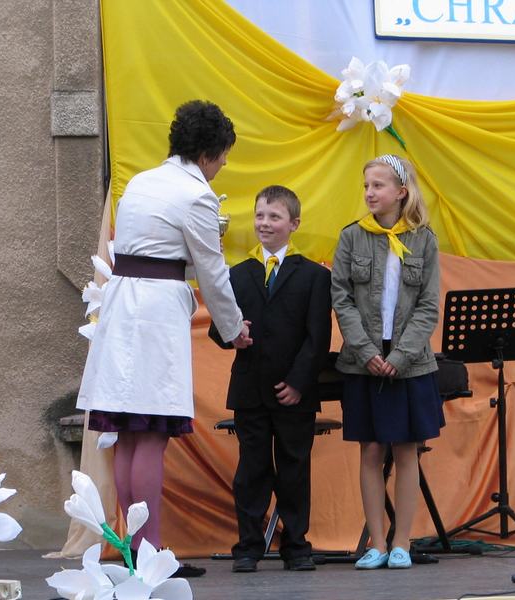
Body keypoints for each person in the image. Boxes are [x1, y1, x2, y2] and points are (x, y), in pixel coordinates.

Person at [77, 100, 252, 562]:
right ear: (209, 153)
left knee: (129, 433)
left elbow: (153, 249)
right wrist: (234, 328)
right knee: (151, 432)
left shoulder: (141, 182)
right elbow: (212, 272)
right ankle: (149, 551)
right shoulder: (196, 196)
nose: (223, 165)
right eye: (224, 156)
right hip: (155, 314)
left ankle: (133, 549)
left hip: (123, 306)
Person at [209, 185, 331, 573]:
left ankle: (296, 546)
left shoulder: (314, 276)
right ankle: (248, 547)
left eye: (274, 217)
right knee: (252, 470)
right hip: (250, 390)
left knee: (294, 469)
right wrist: (233, 334)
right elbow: (217, 329)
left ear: (293, 224)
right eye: (260, 215)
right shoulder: (237, 274)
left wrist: (298, 382)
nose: (264, 223)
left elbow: (318, 338)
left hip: (295, 393)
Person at [331, 154, 444, 570]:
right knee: (371, 449)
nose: (369, 193)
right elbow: (342, 299)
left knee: (406, 449)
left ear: (401, 191)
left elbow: (428, 306)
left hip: (408, 363)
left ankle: (402, 542)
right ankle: (376, 542)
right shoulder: (351, 237)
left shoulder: (424, 240)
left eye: (377, 186)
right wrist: (367, 352)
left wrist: (400, 355)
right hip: (364, 361)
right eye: (366, 186)